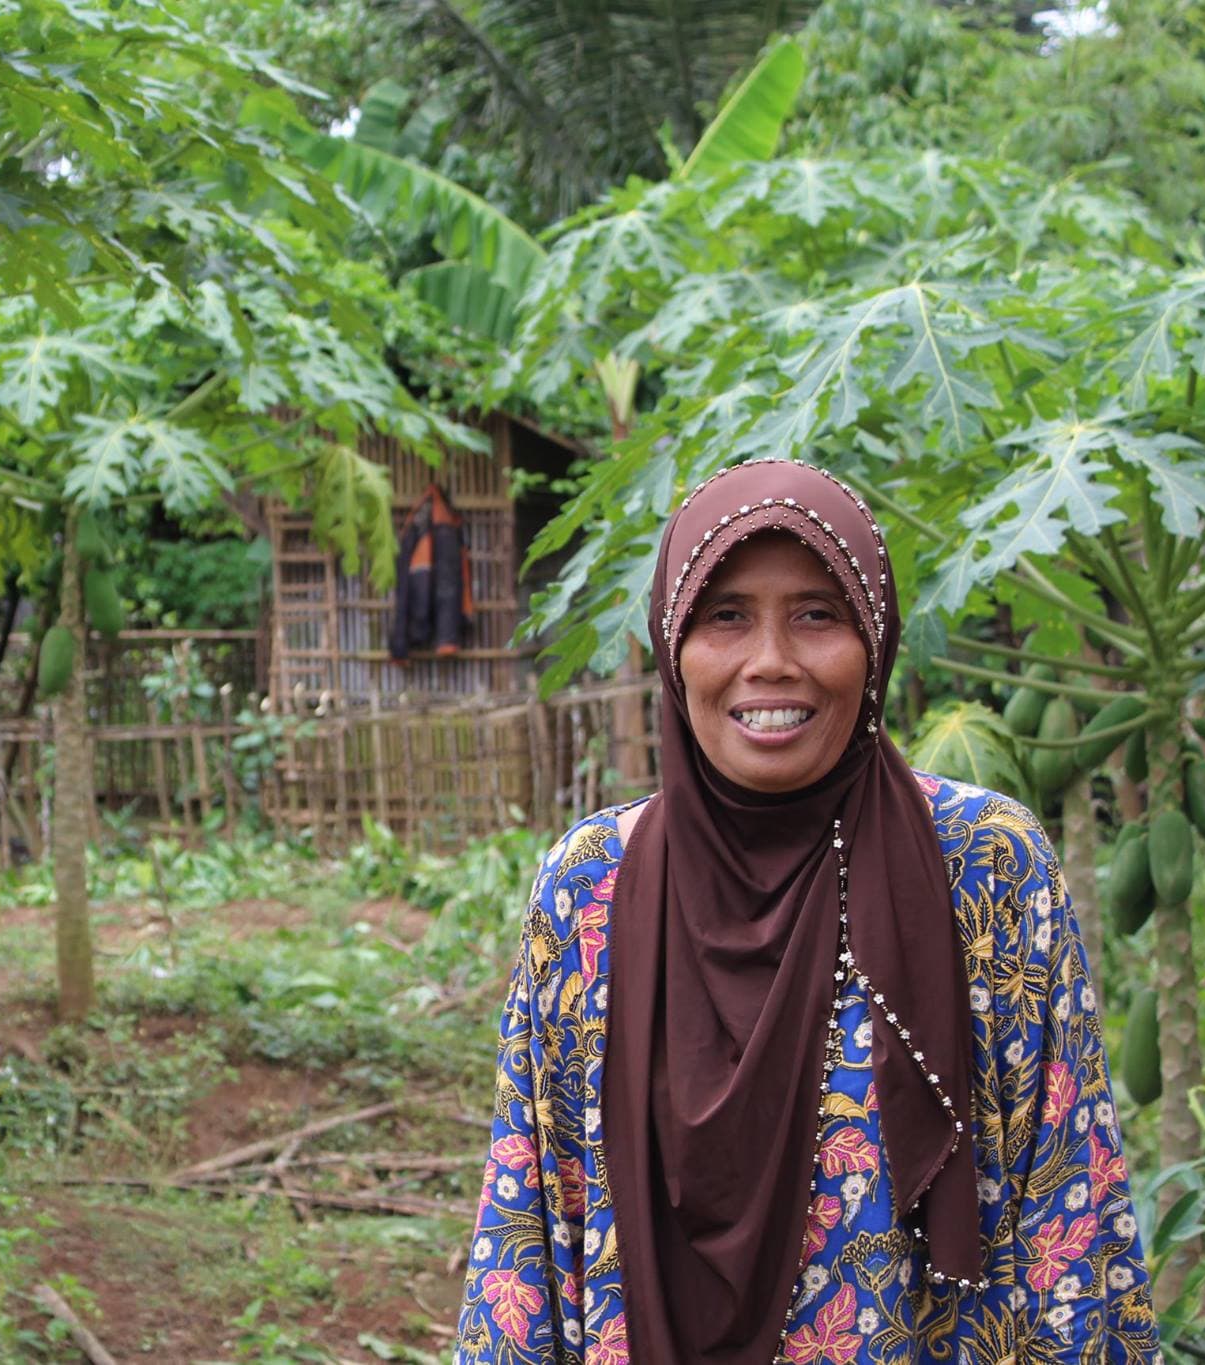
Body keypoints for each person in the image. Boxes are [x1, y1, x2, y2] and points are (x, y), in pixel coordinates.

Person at [452, 461, 1160, 1363]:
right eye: (726, 615)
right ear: (673, 643)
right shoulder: (589, 885)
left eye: (818, 614)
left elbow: (1069, 1217)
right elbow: (527, 1219)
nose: (770, 660)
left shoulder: (986, 868)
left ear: (875, 637)